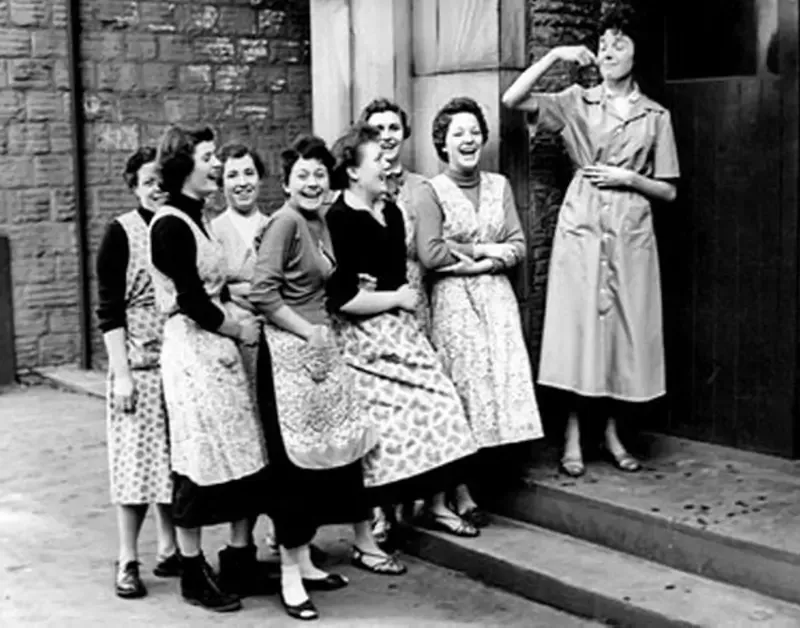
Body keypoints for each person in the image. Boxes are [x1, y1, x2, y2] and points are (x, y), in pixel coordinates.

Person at [501, 4, 680, 477]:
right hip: (582, 224)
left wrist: (629, 178)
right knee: (580, 331)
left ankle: (614, 433)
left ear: (637, 52)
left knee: (626, 331)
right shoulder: (576, 100)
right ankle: (574, 434)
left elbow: (668, 187)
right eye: (603, 44)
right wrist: (557, 54)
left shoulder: (655, 116)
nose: (609, 51)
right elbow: (512, 99)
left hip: (631, 228)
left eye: (620, 43)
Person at [326, 122, 481, 543]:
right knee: (384, 422)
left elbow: (393, 280)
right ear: (354, 171)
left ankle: (435, 504)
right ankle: (381, 515)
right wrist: (392, 298)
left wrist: (394, 298)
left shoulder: (392, 211)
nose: (386, 164)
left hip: (400, 328)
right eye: (376, 159)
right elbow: (343, 298)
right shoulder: (338, 219)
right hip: (359, 338)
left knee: (442, 402)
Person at [250, 134, 380, 621]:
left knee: (321, 464)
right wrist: (309, 332)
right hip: (286, 356)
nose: (311, 183)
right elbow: (263, 293)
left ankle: (304, 562)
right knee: (291, 469)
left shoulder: (319, 221)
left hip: (315, 356)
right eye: (301, 175)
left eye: (318, 175)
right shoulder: (285, 222)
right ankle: (288, 574)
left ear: (329, 183)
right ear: (285, 183)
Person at [149, 125, 269, 612]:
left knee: (244, 451)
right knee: (198, 460)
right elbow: (192, 300)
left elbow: (215, 290)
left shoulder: (198, 218)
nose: (216, 164)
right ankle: (193, 572)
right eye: (207, 156)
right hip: (193, 355)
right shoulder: (171, 224)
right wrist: (238, 329)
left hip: (216, 351)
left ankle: (240, 557)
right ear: (183, 166)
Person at [415, 97, 544, 524]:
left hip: (496, 298)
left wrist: (485, 261)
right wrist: (486, 248)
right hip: (453, 302)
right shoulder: (431, 192)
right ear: (443, 144)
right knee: (461, 389)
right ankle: (460, 488)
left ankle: (481, 481)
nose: (468, 140)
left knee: (495, 386)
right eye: (458, 134)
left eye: (474, 132)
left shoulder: (499, 185)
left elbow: (519, 244)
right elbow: (431, 254)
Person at [96, 147, 178, 599]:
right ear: (134, 185)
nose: (156, 188)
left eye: (163, 180)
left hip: (176, 362)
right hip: (137, 363)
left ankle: (170, 549)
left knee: (172, 464)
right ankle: (128, 557)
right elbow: (109, 309)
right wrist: (121, 373)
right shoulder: (121, 232)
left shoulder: (176, 226)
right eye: (148, 181)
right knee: (134, 465)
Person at [358, 98, 430, 544]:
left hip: (413, 297)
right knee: (379, 410)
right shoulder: (352, 189)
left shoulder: (421, 187)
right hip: (371, 305)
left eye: (393, 127)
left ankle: (414, 502)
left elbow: (433, 244)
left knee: (415, 406)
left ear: (404, 133)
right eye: (377, 128)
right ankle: (381, 512)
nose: (387, 135)